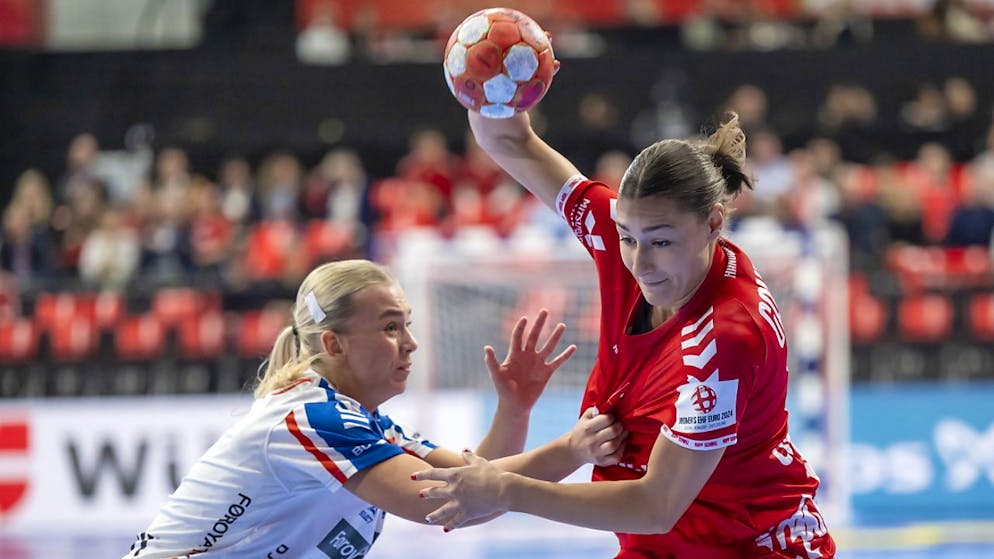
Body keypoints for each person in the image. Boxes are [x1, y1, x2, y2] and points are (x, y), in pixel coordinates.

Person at [413, 107, 837, 559]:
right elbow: (510, 142)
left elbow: (656, 506)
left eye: (661, 242)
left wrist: (506, 492)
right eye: (627, 237)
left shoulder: (726, 336)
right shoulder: (621, 236)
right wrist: (487, 87)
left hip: (752, 549)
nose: (639, 263)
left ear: (714, 224)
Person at [123, 259, 625, 558]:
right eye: (390, 328)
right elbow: (441, 503)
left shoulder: (357, 420)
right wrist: (573, 448)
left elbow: (476, 487)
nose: (411, 343)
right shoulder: (312, 418)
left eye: (406, 324)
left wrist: (514, 409)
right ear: (333, 345)